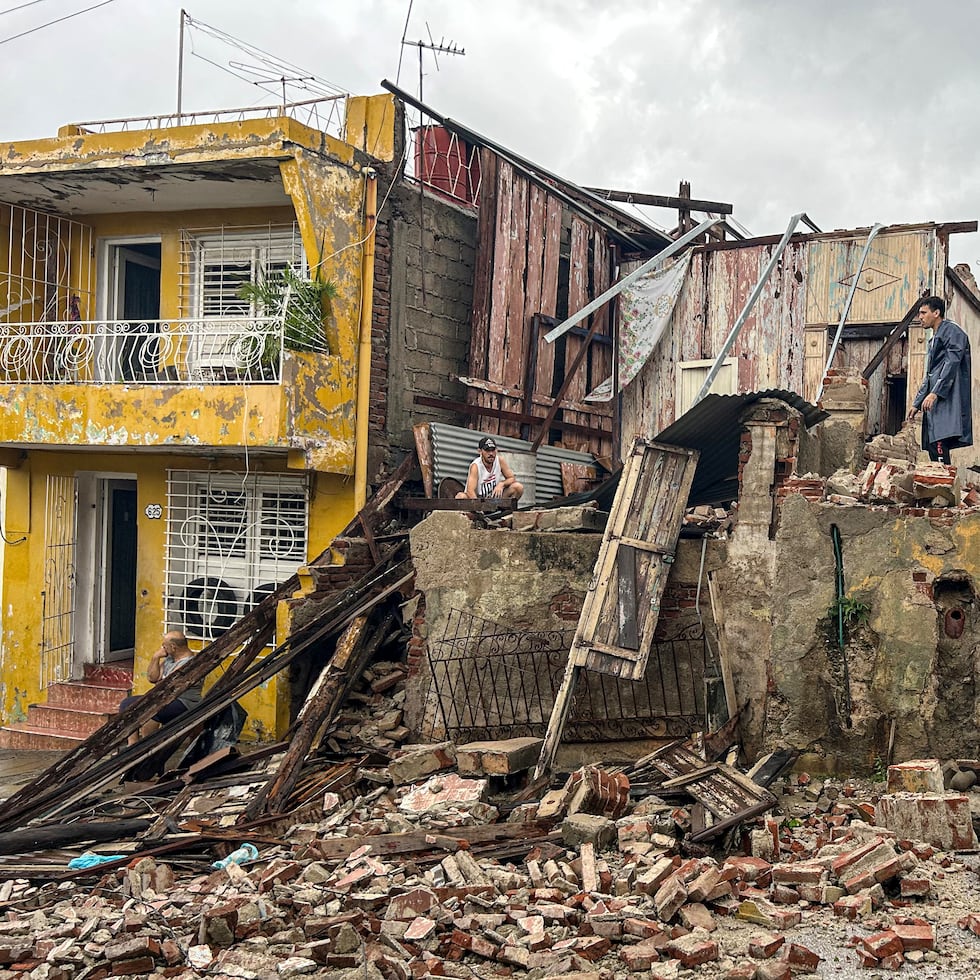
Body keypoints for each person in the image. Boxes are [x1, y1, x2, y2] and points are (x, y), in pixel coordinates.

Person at [908, 296, 973, 465]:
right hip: (935, 400)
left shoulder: (952, 332)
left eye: (923, 313)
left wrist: (935, 393)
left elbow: (952, 363)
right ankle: (939, 485)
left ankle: (943, 487)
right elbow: (930, 374)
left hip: (947, 399)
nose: (920, 317)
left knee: (940, 442)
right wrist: (917, 402)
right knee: (933, 444)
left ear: (936, 313)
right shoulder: (934, 339)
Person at [118, 631, 204, 745]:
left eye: (164, 646)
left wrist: (160, 682)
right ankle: (132, 743)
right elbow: (152, 678)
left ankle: (149, 746)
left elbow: (166, 685)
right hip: (163, 698)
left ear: (173, 647)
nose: (162, 648)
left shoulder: (190, 663)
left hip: (183, 702)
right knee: (127, 704)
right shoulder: (170, 659)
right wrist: (155, 657)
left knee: (152, 710)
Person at [456, 435, 524, 502]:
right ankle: (474, 512)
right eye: (487, 450)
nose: (491, 453)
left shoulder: (499, 460)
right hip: (478, 499)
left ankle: (504, 510)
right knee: (460, 496)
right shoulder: (475, 466)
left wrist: (501, 484)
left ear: (496, 450)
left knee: (518, 487)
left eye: (493, 450)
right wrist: (479, 506)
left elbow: (512, 478)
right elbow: (470, 491)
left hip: (494, 498)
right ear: (480, 451)